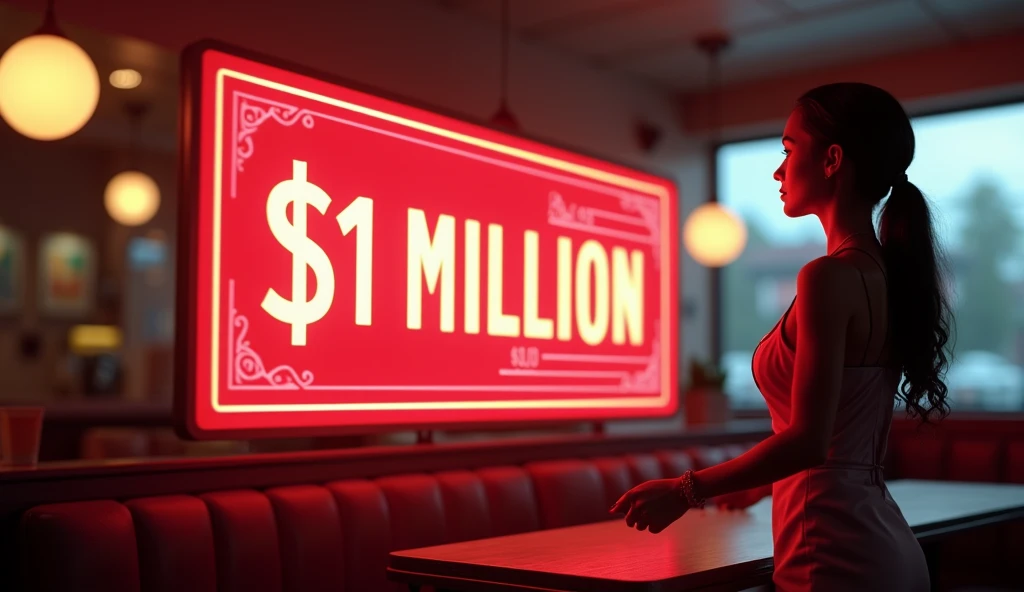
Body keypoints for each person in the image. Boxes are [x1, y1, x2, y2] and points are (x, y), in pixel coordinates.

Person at [610, 82, 953, 591]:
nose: (778, 170)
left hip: (831, 550)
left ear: (833, 159)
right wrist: (759, 487)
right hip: (882, 544)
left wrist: (685, 490)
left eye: (789, 150)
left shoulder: (827, 277)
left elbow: (809, 443)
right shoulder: (884, 274)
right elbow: (837, 440)